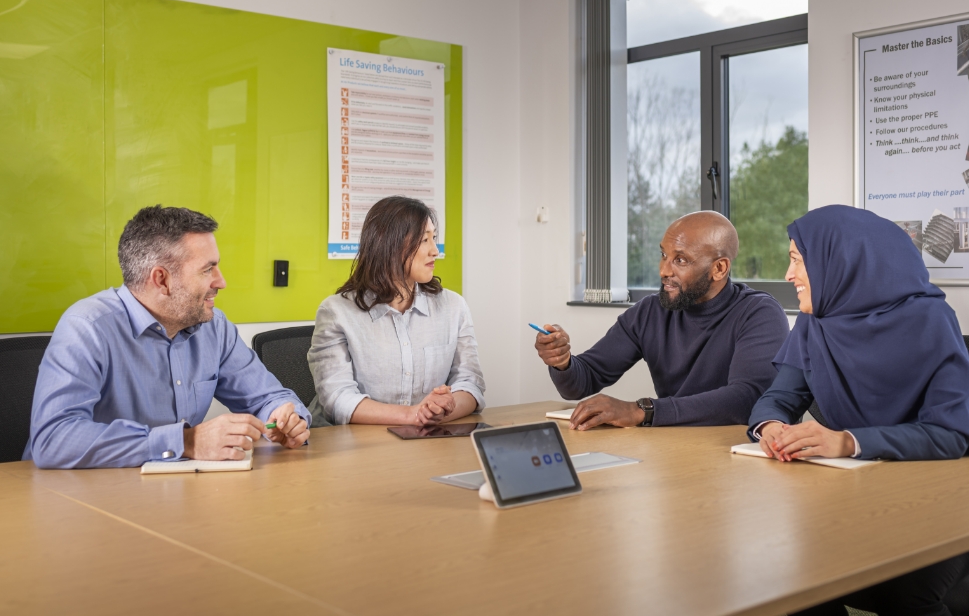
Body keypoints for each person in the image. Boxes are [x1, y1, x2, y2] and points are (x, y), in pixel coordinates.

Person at [747, 205, 969, 616]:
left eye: (797, 261)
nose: (788, 275)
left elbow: (951, 433)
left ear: (841, 261)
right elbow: (778, 397)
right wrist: (771, 427)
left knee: (907, 594)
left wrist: (847, 441)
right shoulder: (817, 321)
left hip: (938, 496)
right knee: (792, 579)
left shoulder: (932, 320)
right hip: (853, 495)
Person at [26, 206, 312, 469]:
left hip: (177, 493)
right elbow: (53, 439)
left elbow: (267, 397)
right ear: (161, 279)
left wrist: (288, 418)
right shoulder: (87, 327)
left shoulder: (214, 326)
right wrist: (186, 442)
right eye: (207, 269)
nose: (221, 282)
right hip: (80, 498)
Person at [535, 211, 789, 430]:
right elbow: (583, 381)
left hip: (738, 457)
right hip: (677, 450)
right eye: (663, 255)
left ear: (719, 269)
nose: (664, 270)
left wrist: (643, 411)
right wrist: (562, 362)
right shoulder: (650, 312)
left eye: (680, 260)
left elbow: (747, 399)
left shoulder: (760, 313)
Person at [307, 196, 485, 426]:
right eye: (424, 240)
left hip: (427, 440)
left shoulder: (453, 307)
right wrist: (413, 415)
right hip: (352, 445)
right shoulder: (336, 312)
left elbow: (471, 383)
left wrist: (443, 409)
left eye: (434, 239)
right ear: (390, 245)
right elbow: (337, 399)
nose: (435, 251)